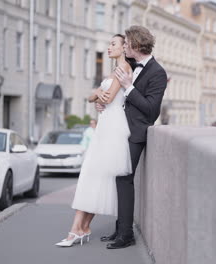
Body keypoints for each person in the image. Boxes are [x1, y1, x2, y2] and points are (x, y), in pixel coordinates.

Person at [55, 34, 133, 247]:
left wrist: (98, 94)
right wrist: (98, 95)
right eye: (109, 44)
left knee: (97, 175)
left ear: (124, 48)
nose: (109, 48)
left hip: (114, 126)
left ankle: (78, 229)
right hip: (105, 124)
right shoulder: (112, 72)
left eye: (113, 44)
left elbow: (105, 98)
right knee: (92, 175)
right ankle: (80, 228)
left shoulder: (124, 68)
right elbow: (93, 98)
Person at [97, 25, 168, 249]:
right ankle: (121, 229)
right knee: (119, 179)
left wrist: (128, 87)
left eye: (126, 43)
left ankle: (126, 234)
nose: (124, 46)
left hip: (136, 134)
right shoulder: (133, 66)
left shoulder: (157, 72)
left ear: (136, 45)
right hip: (121, 130)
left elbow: (151, 110)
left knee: (124, 179)